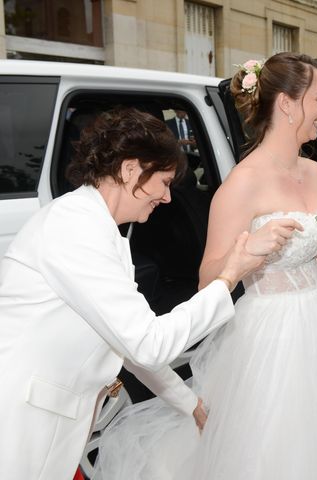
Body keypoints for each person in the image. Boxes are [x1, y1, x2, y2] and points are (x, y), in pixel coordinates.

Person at [96, 53, 317, 479]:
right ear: (287, 103)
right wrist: (251, 252)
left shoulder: (316, 173)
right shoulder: (240, 184)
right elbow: (209, 278)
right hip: (269, 334)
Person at [0, 107, 275, 480]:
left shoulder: (99, 228)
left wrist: (188, 402)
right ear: (131, 169)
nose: (165, 197)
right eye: (163, 181)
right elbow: (148, 343)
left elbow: (129, 341)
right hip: (20, 423)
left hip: (50, 419)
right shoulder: (74, 228)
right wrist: (228, 277)